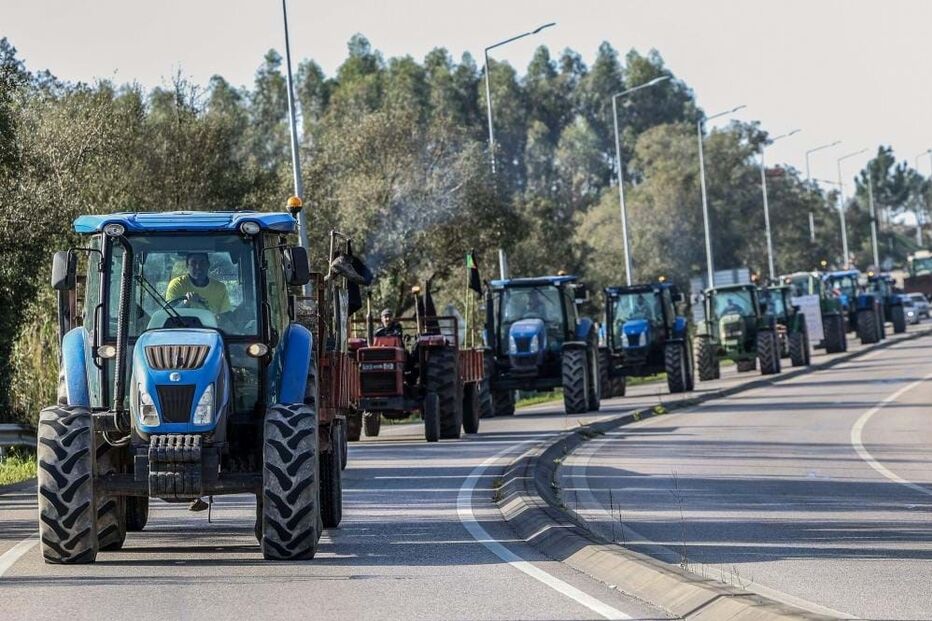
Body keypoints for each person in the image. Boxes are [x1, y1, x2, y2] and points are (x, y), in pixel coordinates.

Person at [165, 253, 231, 315]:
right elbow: (168, 314)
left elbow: (226, 318)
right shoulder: (177, 285)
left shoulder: (219, 288)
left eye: (202, 263)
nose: (198, 267)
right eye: (193, 263)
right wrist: (185, 303)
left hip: (211, 327)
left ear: (208, 265)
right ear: (187, 265)